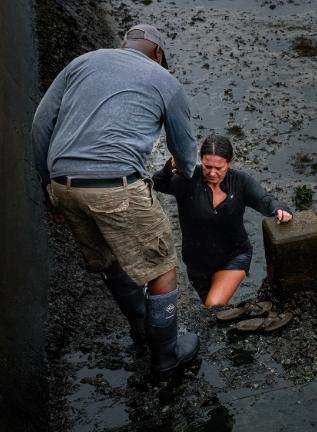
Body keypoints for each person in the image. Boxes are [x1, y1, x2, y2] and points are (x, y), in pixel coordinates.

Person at [31, 24, 200, 374]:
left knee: (110, 259)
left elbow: (40, 124)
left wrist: (48, 185)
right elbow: (184, 151)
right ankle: (167, 354)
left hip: (65, 184)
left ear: (125, 45)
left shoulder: (81, 63)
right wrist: (185, 173)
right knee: (162, 266)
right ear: (158, 53)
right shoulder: (164, 80)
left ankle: (141, 328)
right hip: (116, 186)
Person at [153, 134, 293, 306]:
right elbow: (157, 184)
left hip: (234, 256)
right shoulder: (188, 179)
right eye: (207, 166)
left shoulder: (240, 182)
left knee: (213, 304)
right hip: (197, 264)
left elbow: (265, 200)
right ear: (201, 161)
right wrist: (169, 167)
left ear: (229, 162)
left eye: (219, 168)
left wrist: (280, 209)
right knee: (214, 313)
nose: (212, 173)